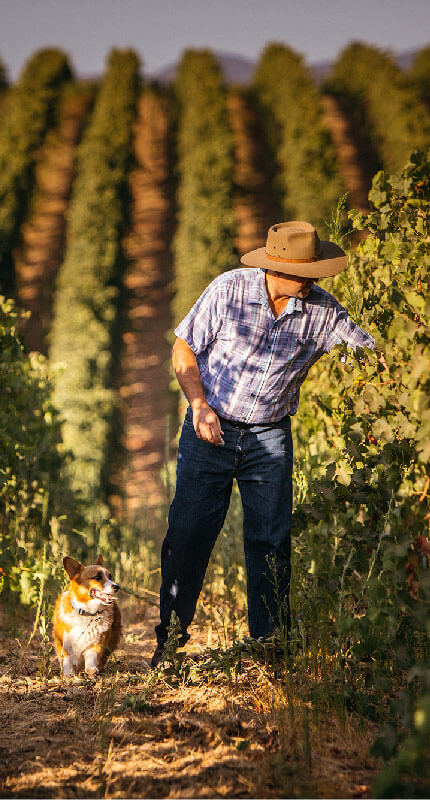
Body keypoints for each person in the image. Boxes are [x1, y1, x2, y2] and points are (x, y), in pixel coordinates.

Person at [152, 220, 374, 667]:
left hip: (269, 437)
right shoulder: (228, 291)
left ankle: (271, 651)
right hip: (208, 428)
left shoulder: (323, 311)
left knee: (271, 542)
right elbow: (183, 348)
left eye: (316, 274)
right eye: (304, 274)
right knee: (188, 534)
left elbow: (369, 354)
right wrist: (198, 404)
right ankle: (170, 645)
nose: (312, 282)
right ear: (275, 268)